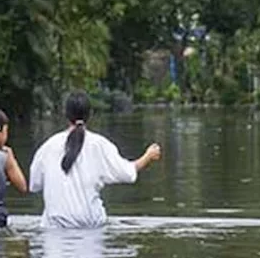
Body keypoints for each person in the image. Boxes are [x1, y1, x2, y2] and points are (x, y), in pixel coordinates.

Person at [29, 92, 162, 229]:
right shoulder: (99, 145)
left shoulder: (47, 147)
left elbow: (34, 185)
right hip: (91, 228)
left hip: (54, 232)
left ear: (65, 114)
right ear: (90, 114)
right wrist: (148, 156)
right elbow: (127, 173)